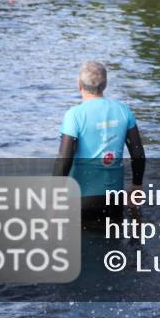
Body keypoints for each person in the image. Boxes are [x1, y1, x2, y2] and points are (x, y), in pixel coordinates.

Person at [53, 61, 146, 225]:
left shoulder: (74, 116)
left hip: (81, 200)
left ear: (79, 84)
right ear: (105, 85)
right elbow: (138, 153)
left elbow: (64, 159)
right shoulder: (123, 111)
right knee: (113, 246)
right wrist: (136, 186)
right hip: (114, 201)